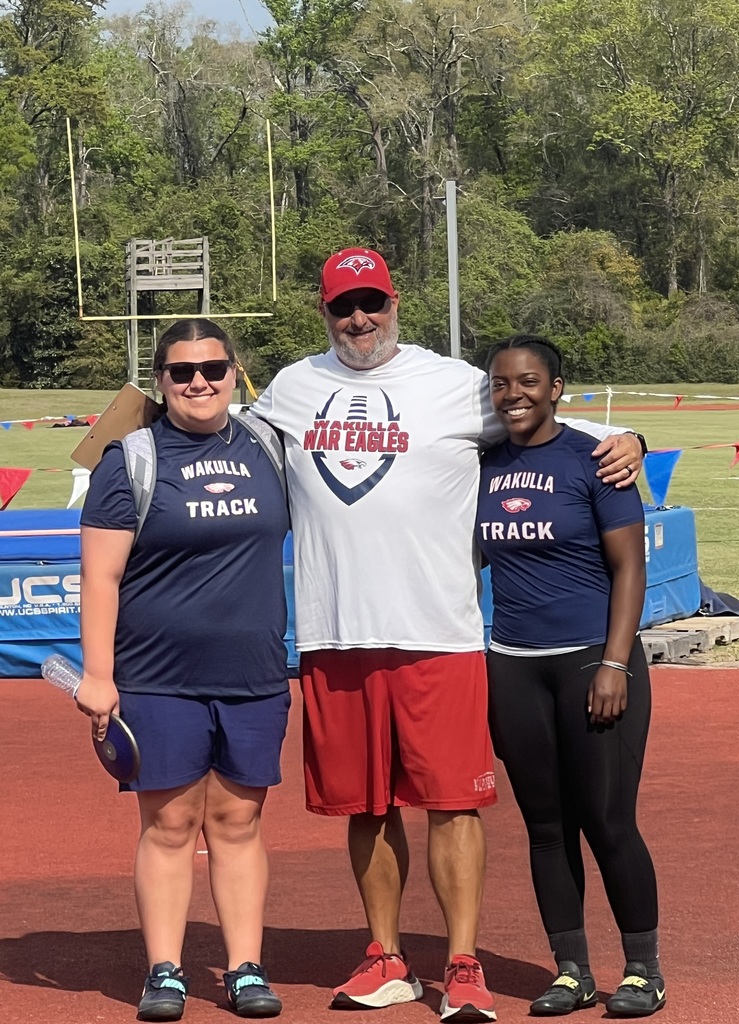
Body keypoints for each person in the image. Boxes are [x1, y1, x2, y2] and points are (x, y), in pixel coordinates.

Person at [252, 248, 646, 1022]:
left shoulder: (454, 383)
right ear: (323, 311)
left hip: (440, 632)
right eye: (343, 307)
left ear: (395, 302)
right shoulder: (293, 389)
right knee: (366, 809)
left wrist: (626, 433)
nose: (359, 319)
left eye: (372, 302)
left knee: (451, 805)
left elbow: (548, 420)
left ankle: (462, 965)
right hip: (335, 635)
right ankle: (387, 958)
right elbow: (217, 431)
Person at [76, 318, 290, 1022]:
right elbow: (101, 577)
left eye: (213, 369)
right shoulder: (131, 459)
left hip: (252, 673)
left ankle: (244, 967)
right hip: (156, 677)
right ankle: (165, 971)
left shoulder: (269, 445)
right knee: (169, 824)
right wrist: (99, 675)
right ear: (161, 381)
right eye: (181, 372)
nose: (199, 382)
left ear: (235, 373)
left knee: (237, 823)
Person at [477, 335, 665, 1018]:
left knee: (608, 820)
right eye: (501, 383)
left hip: (595, 659)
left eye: (528, 382)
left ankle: (643, 968)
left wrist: (615, 662)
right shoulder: (482, 464)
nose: (514, 394)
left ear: (556, 387)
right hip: (515, 666)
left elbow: (630, 569)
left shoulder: (596, 461)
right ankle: (572, 970)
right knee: (546, 827)